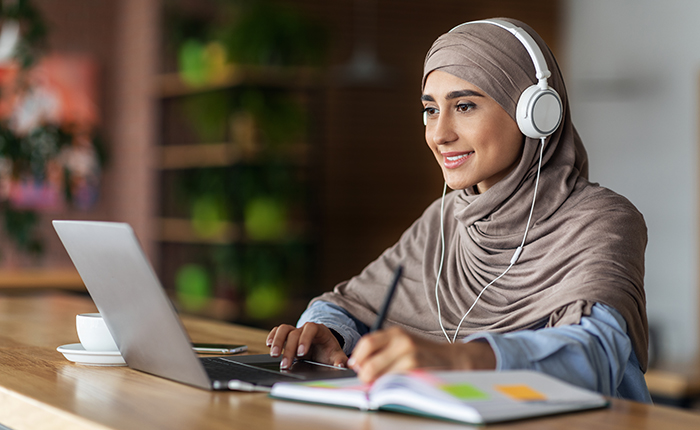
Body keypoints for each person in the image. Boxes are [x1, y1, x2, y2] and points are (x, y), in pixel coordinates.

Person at [266, 18, 650, 402]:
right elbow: (348, 304)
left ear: (534, 114)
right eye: (431, 110)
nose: (438, 134)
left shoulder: (602, 220)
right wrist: (327, 333)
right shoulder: (445, 218)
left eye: (464, 106)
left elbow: (593, 356)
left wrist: (460, 358)